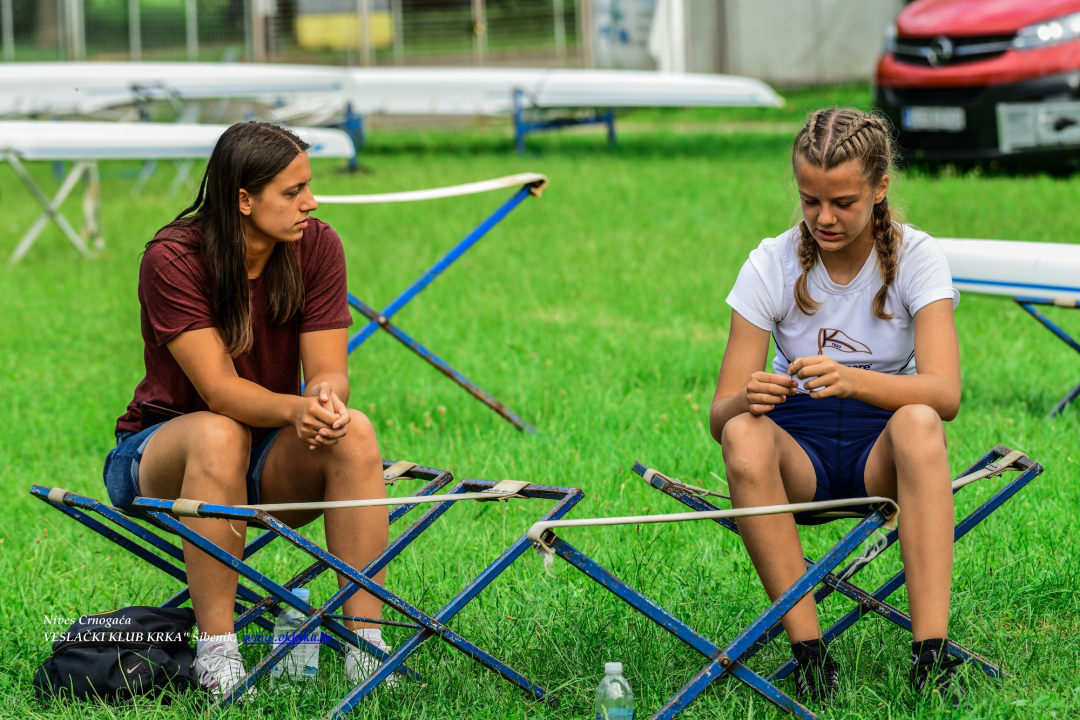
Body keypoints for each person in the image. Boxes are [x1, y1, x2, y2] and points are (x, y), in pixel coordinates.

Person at [104, 122, 391, 697]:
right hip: (161, 455)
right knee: (219, 432)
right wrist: (292, 411)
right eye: (293, 192)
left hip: (265, 455)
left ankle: (367, 647)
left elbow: (329, 369)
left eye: (308, 186)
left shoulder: (316, 245)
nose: (311, 203)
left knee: (353, 431)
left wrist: (325, 400)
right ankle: (218, 653)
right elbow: (219, 391)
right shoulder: (173, 257)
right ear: (242, 199)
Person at [709, 108, 963, 705]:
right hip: (798, 455)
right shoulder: (769, 263)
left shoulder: (918, 257)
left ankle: (931, 657)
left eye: (843, 202)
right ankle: (810, 654)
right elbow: (719, 415)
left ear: (880, 189)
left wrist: (852, 379)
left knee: (921, 420)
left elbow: (945, 394)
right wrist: (747, 398)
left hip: (885, 454)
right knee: (743, 434)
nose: (825, 217)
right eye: (810, 200)